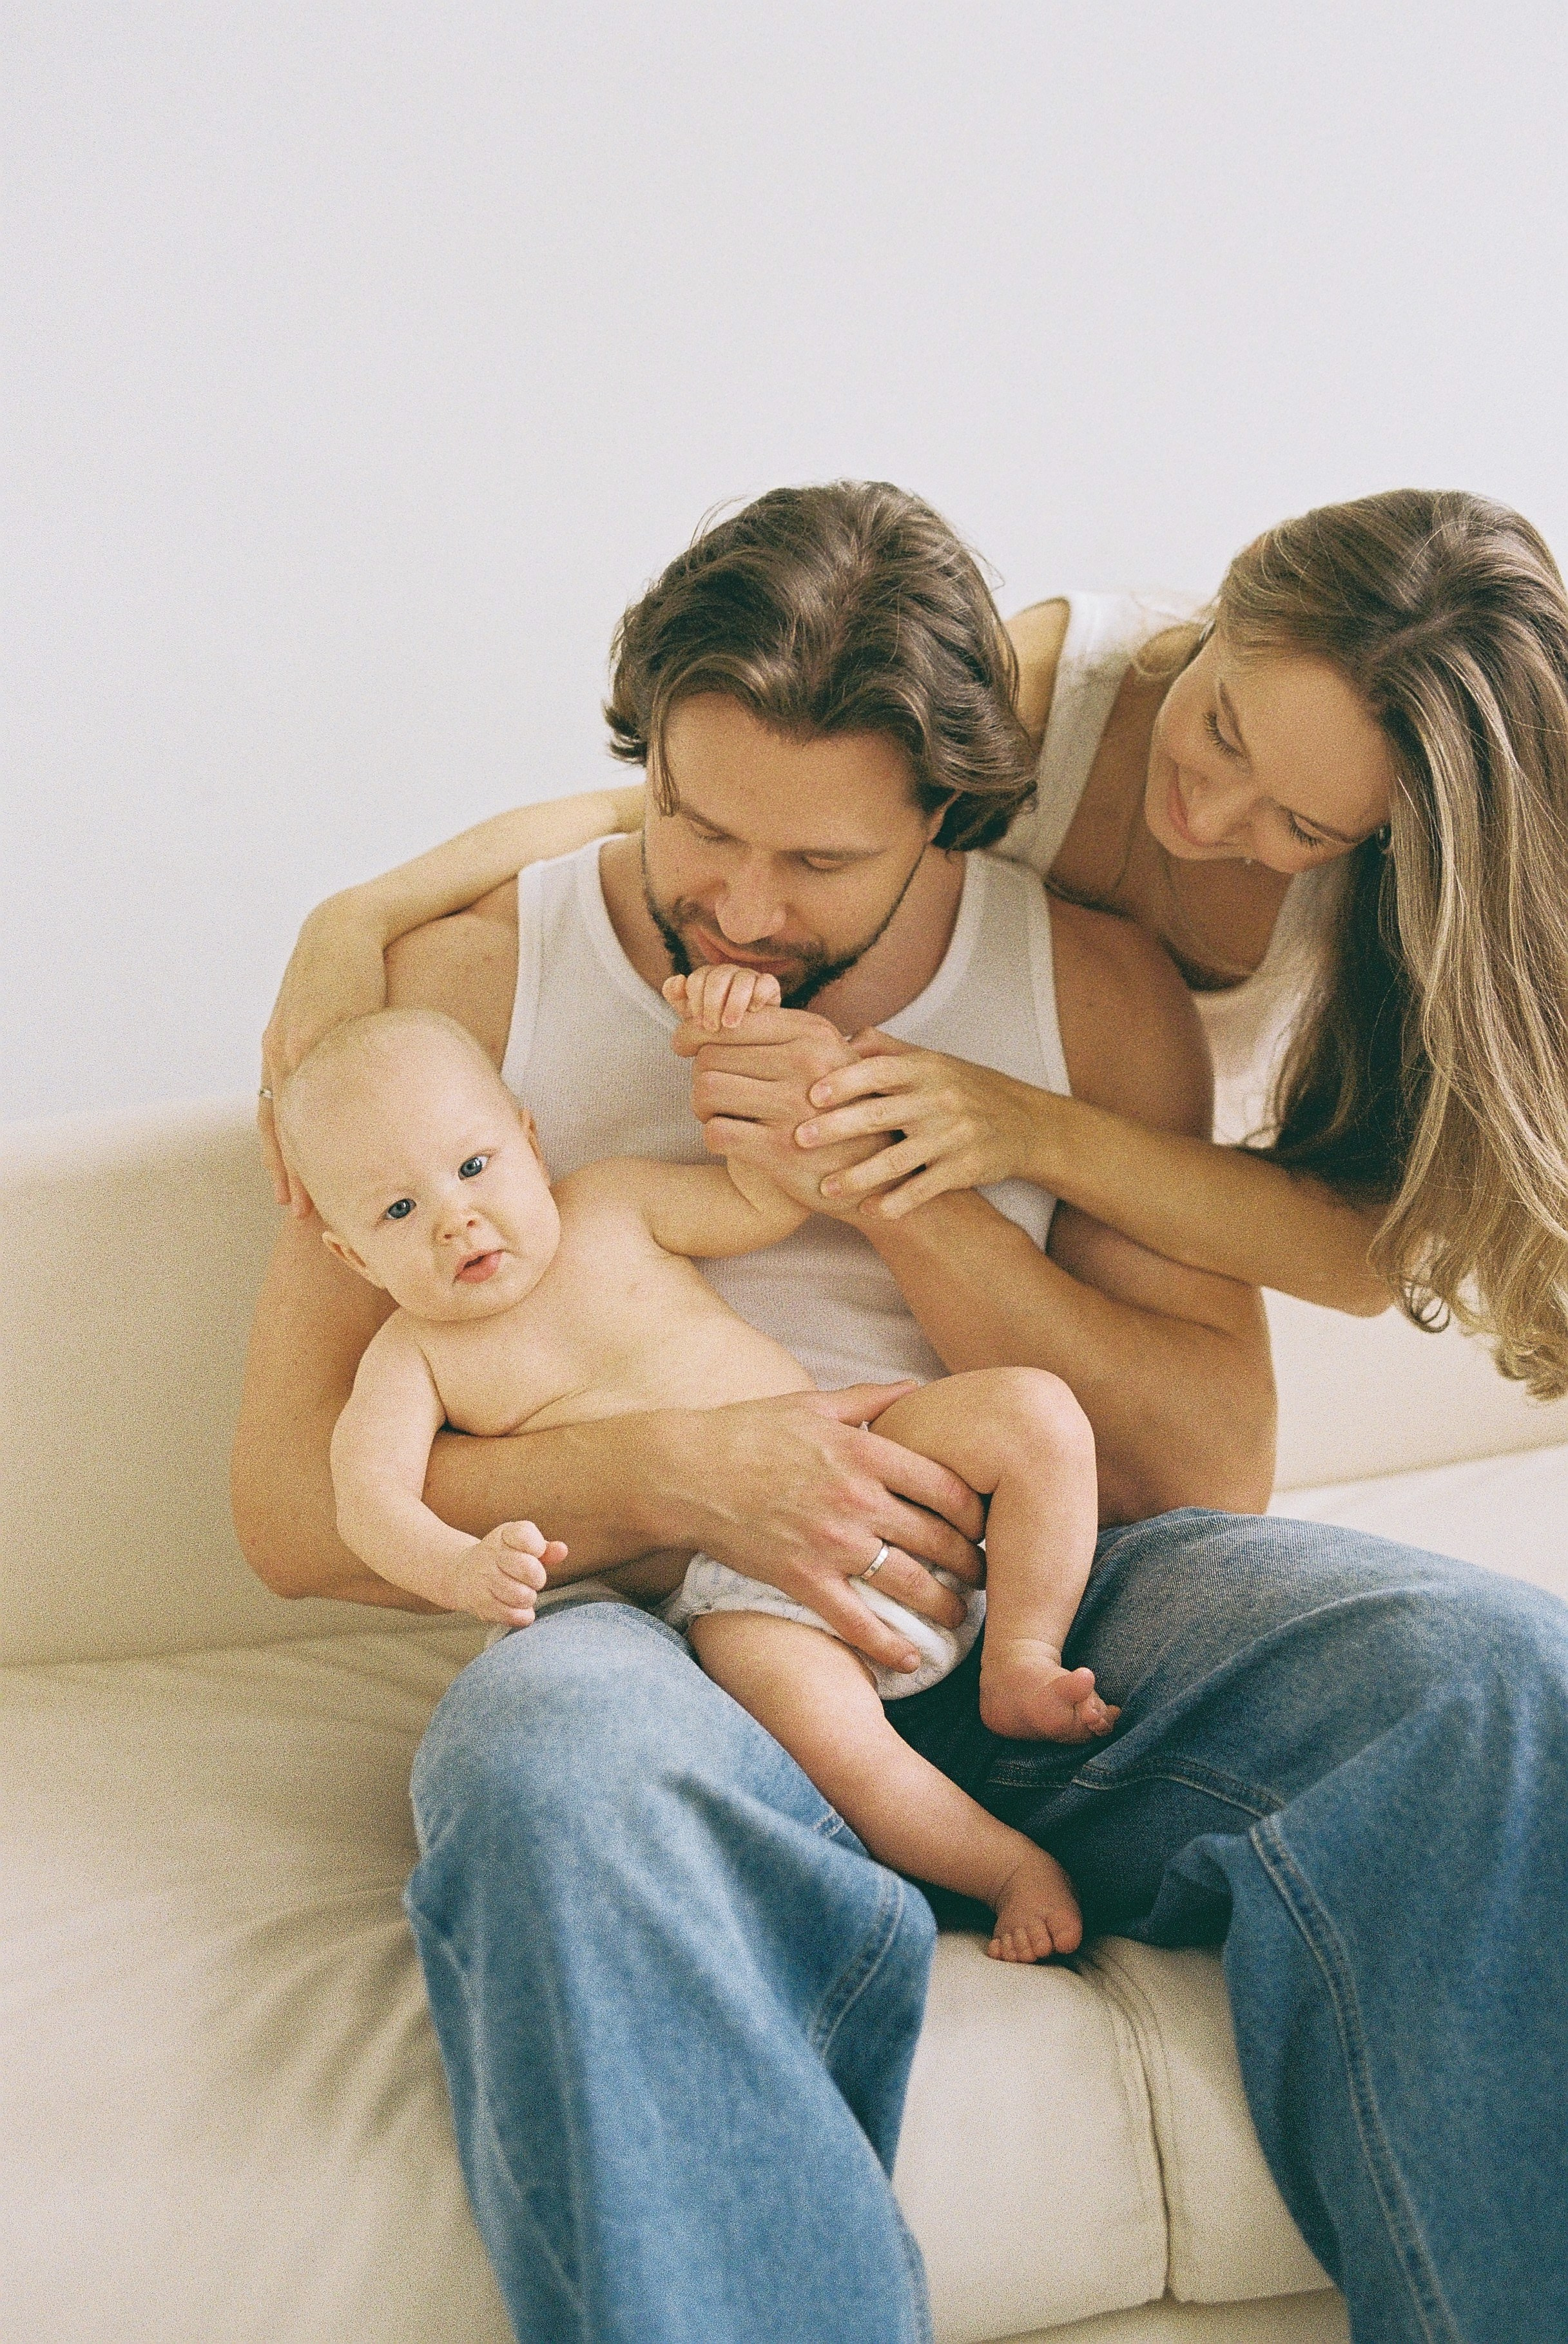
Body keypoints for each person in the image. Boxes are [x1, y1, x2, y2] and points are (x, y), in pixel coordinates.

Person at [234, 481, 1568, 2344]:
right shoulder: (448, 1004)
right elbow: (296, 1506)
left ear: (957, 805)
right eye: (694, 820)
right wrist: (688, 1472)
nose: (738, 900)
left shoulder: (1089, 989)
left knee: (1502, 1674)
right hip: (671, 1650)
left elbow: (1206, 1473)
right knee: (547, 1770)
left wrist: (892, 1177)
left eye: (821, 864)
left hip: (1054, 1609)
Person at [259, 487, 1568, 1398]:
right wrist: (361, 911)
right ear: (1230, 598)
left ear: (1393, 835)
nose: (1205, 815)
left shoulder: (1416, 906)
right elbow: (725, 807)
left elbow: (1357, 1258)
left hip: (1096, 1157)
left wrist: (1019, 1128)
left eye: (1294, 822)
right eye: (1219, 725)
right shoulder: (1031, 686)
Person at [280, 998, 1113, 1962]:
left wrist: (747, 1048)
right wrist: (460, 1569)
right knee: (830, 1738)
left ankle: (1021, 1655)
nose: (455, 1218)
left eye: (472, 1168)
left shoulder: (613, 1202)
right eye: (398, 1209)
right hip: (726, 1587)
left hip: (867, 1449)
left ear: (527, 1136)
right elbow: (368, 1501)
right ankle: (1000, 1866)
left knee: (1034, 1411)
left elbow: (765, 1201)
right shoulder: (411, 1356)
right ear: (350, 1253)